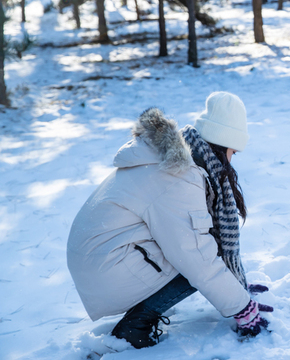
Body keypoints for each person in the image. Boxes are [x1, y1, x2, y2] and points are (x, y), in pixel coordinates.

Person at [66, 92, 272, 348]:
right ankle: (134, 326)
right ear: (221, 146)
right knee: (196, 255)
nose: (231, 161)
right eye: (233, 152)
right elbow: (196, 256)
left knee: (196, 249)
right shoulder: (179, 176)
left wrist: (235, 287)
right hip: (106, 269)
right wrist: (242, 307)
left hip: (100, 260)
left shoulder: (173, 159)